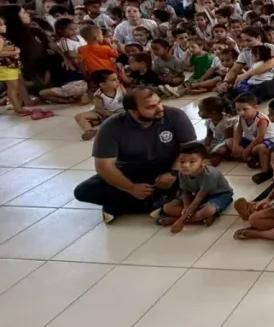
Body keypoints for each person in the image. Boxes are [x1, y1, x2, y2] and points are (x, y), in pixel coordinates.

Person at [72, 87, 197, 223]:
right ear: (133, 111)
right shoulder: (111, 127)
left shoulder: (175, 116)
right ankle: (153, 204)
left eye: (159, 102)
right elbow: (104, 166)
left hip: (170, 167)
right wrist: (130, 187)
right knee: (83, 191)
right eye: (151, 107)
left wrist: (174, 173)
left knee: (201, 178)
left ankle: (118, 204)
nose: (159, 108)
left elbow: (191, 149)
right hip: (131, 170)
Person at [152, 141, 234, 233]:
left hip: (218, 195)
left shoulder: (211, 174)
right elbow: (185, 191)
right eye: (182, 162)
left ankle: (174, 220)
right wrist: (186, 207)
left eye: (192, 162)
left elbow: (199, 198)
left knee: (209, 210)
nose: (185, 165)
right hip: (196, 194)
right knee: (167, 207)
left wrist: (181, 220)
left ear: (203, 162)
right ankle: (199, 218)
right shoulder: (182, 172)